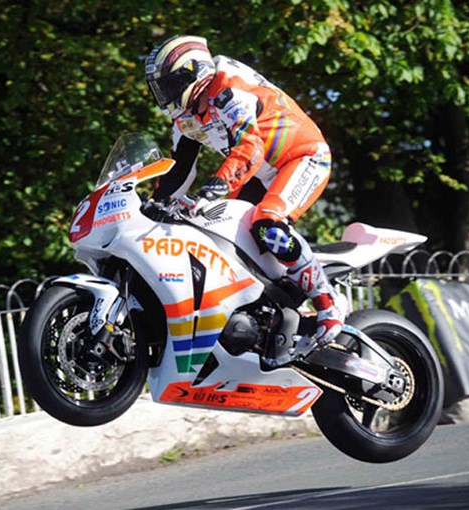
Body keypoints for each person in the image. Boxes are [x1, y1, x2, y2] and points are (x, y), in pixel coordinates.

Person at [145, 34, 346, 351]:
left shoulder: (227, 90)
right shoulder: (184, 118)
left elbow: (250, 147)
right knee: (222, 234)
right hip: (259, 170)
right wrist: (151, 206)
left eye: (169, 85)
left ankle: (328, 303)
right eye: (160, 88)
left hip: (301, 157)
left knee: (268, 225)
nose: (165, 95)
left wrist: (221, 183)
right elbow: (180, 170)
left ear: (193, 74)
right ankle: (275, 308)